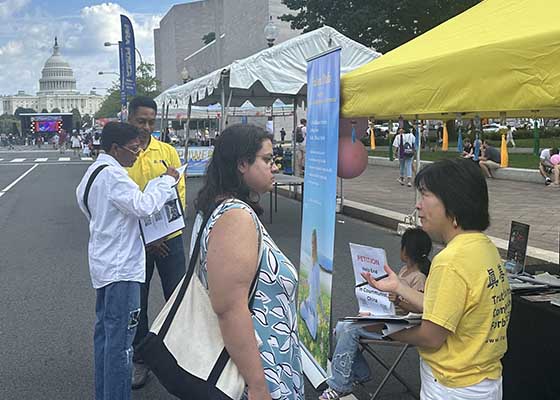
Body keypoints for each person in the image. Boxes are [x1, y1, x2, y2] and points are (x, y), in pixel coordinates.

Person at [364, 158, 511, 400]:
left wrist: (383, 330)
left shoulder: (450, 261)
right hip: (485, 381)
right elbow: (447, 309)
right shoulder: (484, 247)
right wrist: (399, 286)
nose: (418, 205)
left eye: (425, 195)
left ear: (453, 202)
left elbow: (431, 337)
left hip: (451, 386)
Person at [192, 124, 304, 399]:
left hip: (261, 363)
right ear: (242, 164)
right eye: (267, 159)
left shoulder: (223, 209)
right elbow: (230, 309)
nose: (274, 167)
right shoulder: (235, 217)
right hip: (257, 371)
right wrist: (258, 386)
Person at [76, 122, 179, 400]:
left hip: (104, 264)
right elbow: (144, 206)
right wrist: (166, 181)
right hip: (122, 268)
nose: (137, 154)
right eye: (133, 149)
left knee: (106, 338)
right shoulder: (114, 176)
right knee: (122, 344)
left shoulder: (93, 173)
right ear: (115, 148)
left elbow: (85, 205)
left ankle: (105, 393)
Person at [319, 228, 432, 400]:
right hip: (388, 317)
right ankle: (360, 373)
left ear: (406, 251)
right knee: (341, 326)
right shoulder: (404, 270)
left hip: (399, 325)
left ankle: (340, 385)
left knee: (349, 330)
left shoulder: (419, 278)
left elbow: (419, 309)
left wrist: (399, 301)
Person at [126, 96, 187, 389]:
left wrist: (160, 233)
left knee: (178, 297)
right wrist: (147, 237)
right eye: (141, 121)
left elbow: (178, 194)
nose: (147, 127)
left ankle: (182, 354)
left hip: (169, 240)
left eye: (151, 121)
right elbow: (124, 204)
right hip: (136, 243)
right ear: (129, 119)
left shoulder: (168, 152)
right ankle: (141, 358)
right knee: (137, 302)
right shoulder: (122, 156)